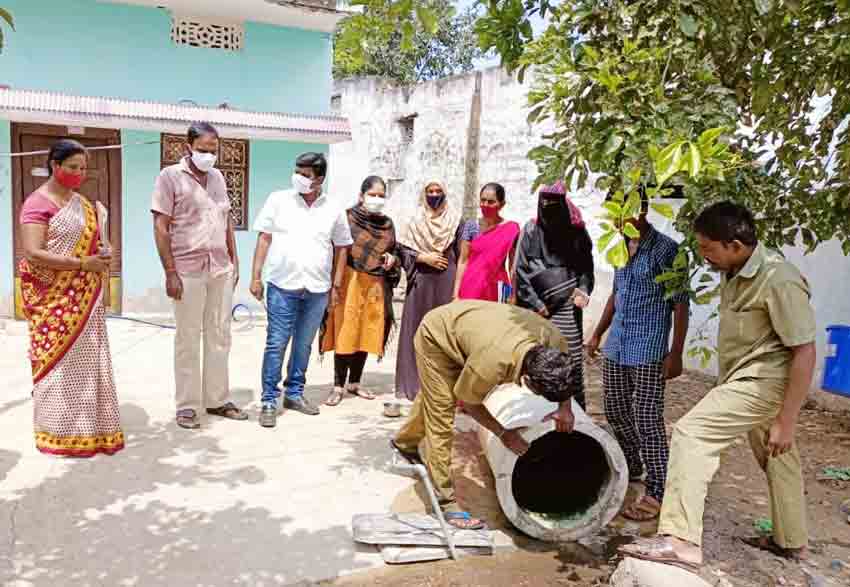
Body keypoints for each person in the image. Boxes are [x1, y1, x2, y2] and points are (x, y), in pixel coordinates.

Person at [621, 202, 816, 570]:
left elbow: (805, 351)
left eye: (708, 248)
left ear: (736, 245)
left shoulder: (779, 278)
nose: (704, 256)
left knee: (692, 433)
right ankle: (791, 541)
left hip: (764, 381)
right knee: (778, 456)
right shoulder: (735, 268)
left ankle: (679, 540)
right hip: (744, 377)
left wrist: (788, 419)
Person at [391, 300, 578, 529]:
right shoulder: (492, 362)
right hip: (437, 337)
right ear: (526, 380)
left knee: (435, 397)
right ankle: (445, 503)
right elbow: (470, 403)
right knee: (441, 413)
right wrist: (502, 433)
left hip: (472, 332)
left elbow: (567, 373)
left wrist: (565, 408)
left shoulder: (554, 341)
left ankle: (405, 442)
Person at [585, 193, 689, 521]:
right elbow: (616, 294)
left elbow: (681, 303)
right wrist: (598, 333)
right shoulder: (619, 247)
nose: (618, 217)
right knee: (615, 411)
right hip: (617, 345)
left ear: (642, 210)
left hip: (648, 348)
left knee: (647, 418)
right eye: (614, 210)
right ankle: (633, 465)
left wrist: (676, 353)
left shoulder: (667, 250)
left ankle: (658, 489)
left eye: (625, 209)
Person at [19, 139, 124, 456]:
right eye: (73, 167)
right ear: (55, 166)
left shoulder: (83, 204)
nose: (79, 173)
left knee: (87, 362)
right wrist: (81, 263)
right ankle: (55, 431)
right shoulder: (37, 203)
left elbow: (95, 244)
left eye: (83, 168)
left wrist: (105, 252)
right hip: (54, 301)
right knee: (57, 365)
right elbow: (34, 253)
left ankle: (89, 430)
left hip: (85, 297)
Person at [152, 122, 247, 430]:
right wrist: (170, 272)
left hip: (220, 267)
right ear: (188, 147)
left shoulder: (218, 177)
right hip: (186, 269)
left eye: (213, 150)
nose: (209, 156)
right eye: (203, 150)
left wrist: (234, 259)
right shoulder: (170, 177)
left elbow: (226, 219)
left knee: (220, 335)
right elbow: (160, 226)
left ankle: (217, 399)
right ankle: (188, 406)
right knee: (188, 339)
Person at [250, 152, 352, 427]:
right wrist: (256, 277)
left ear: (319, 179)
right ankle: (269, 400)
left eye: (306, 174)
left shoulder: (333, 207)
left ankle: (294, 393)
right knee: (276, 344)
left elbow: (343, 246)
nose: (299, 177)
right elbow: (264, 237)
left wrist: (336, 286)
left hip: (318, 288)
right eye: (297, 171)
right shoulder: (278, 200)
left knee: (304, 344)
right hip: (282, 285)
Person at [321, 176, 401, 406]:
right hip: (349, 281)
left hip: (375, 284)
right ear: (361, 195)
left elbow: (393, 250)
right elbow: (334, 249)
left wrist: (391, 259)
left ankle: (355, 383)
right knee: (346, 330)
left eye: (381, 195)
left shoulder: (387, 224)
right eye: (372, 194)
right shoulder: (347, 218)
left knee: (367, 331)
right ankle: (338, 386)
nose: (377, 199)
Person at [515, 180, 595, 410]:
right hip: (538, 310)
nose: (549, 206)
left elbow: (586, 269)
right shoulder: (530, 230)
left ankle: (576, 418)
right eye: (545, 201)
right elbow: (520, 271)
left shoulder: (577, 232)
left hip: (568, 308)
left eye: (554, 202)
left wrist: (583, 292)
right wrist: (536, 304)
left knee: (570, 364)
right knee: (540, 362)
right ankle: (539, 416)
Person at [395, 181, 463, 400]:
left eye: (438, 191)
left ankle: (443, 387)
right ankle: (413, 384)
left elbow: (463, 256)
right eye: (430, 192)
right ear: (423, 194)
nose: (434, 195)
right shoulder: (413, 220)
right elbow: (401, 250)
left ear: (445, 193)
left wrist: (457, 290)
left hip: (446, 280)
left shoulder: (455, 221)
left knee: (444, 333)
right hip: (420, 281)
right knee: (417, 330)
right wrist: (422, 257)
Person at [454, 183, 520, 302]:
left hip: (497, 288)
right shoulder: (471, 226)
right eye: (483, 200)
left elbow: (513, 266)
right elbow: (463, 261)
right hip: (470, 287)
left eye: (491, 202)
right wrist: (455, 294)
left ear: (502, 204)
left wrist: (514, 294)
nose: (485, 205)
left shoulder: (511, 229)